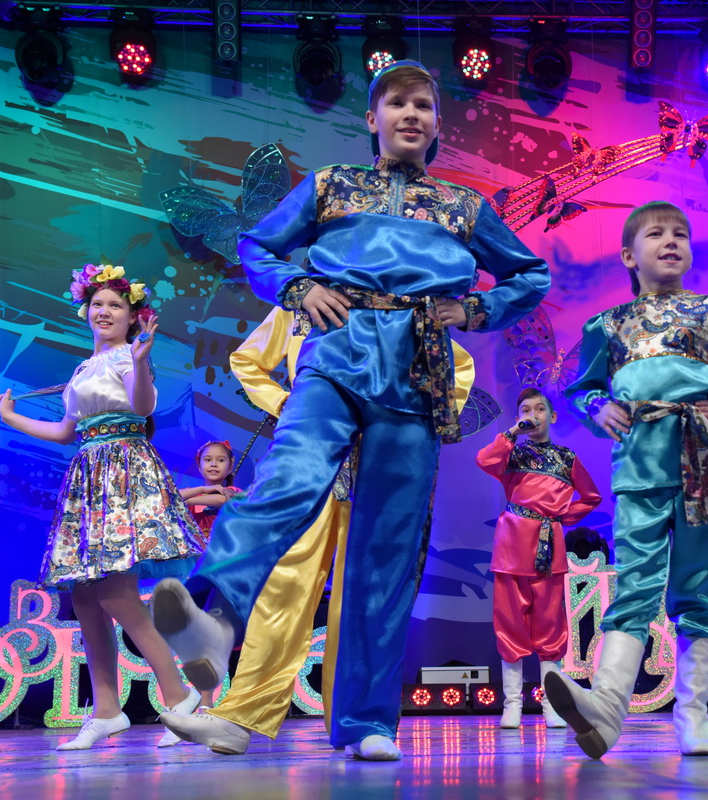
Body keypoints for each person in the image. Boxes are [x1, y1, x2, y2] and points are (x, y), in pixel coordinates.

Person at [149, 60, 549, 761]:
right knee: (289, 479)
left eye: (423, 105)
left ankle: (367, 722)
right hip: (337, 353)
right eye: (397, 103)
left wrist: (477, 309)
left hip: (417, 372)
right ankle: (215, 617)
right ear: (372, 118)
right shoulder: (330, 185)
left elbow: (530, 272)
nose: (411, 114)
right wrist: (299, 287)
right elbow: (258, 244)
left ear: (437, 123)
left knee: (387, 550)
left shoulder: (465, 206)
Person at [160, 307, 474, 754]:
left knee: (369, 591)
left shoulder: (397, 303)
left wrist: (415, 418)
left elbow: (456, 364)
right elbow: (247, 359)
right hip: (313, 462)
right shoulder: (304, 302)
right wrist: (285, 402)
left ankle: (364, 725)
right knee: (280, 590)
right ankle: (241, 714)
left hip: (382, 466)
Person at [547, 200, 708, 759]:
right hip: (639, 466)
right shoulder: (607, 325)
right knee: (636, 580)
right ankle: (607, 706)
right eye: (656, 234)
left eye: (680, 233)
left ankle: (692, 715)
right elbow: (582, 387)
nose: (671, 241)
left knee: (695, 584)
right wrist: (597, 406)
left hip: (699, 462)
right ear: (628, 256)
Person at [0, 263, 204, 750]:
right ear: (85, 311)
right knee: (86, 598)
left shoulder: (131, 355)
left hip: (123, 472)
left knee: (116, 594)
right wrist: (10, 416)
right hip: (89, 476)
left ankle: (178, 695)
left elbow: (143, 407)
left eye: (115, 305)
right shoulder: (84, 368)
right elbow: (66, 431)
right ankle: (107, 709)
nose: (104, 311)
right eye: (97, 304)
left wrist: (143, 361)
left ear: (133, 316)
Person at [476, 387, 602, 729]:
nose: (533, 414)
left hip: (549, 545)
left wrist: (559, 516)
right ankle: (512, 705)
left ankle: (552, 705)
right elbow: (484, 460)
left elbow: (591, 496)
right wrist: (512, 433)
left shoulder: (567, 458)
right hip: (511, 546)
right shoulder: (511, 454)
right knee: (510, 624)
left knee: (550, 625)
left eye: (540, 409)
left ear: (553, 416)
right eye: (525, 410)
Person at [181, 441, 244, 548]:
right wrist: (201, 489)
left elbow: (222, 500)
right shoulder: (193, 492)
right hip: (197, 550)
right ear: (199, 467)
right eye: (208, 460)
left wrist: (188, 501)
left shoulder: (234, 491)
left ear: (230, 468)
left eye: (221, 460)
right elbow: (170, 496)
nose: (213, 464)